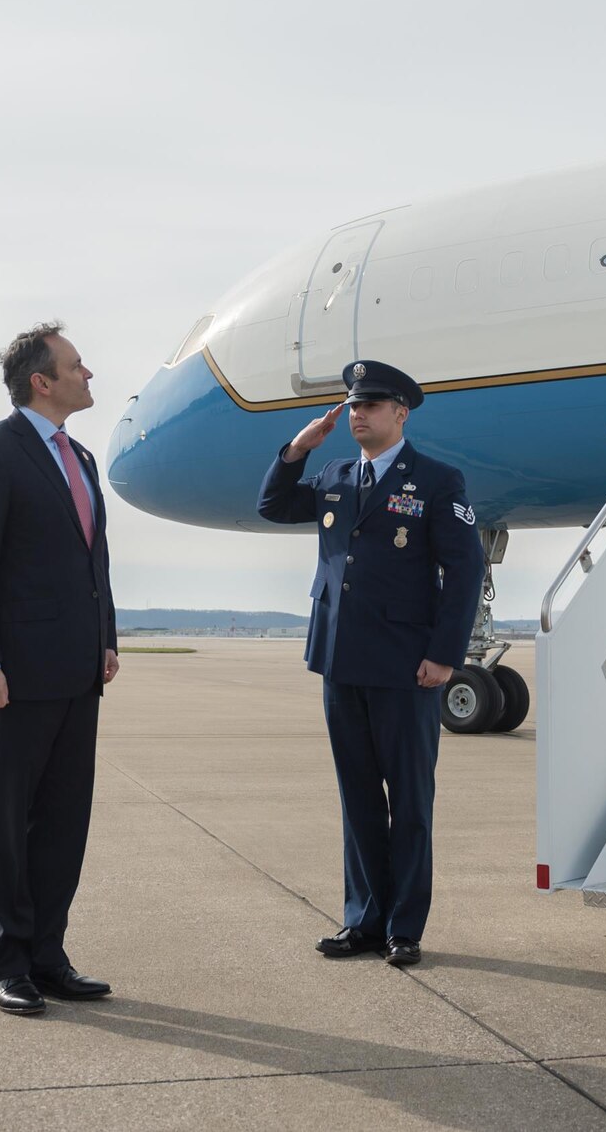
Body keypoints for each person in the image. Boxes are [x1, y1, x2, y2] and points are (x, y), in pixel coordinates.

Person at [257, 361, 483, 967]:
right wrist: (299, 447)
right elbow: (273, 505)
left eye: (372, 404)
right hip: (340, 659)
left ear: (400, 413)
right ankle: (362, 920)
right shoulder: (334, 473)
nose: (358, 413)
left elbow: (465, 572)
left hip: (408, 667)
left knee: (408, 801)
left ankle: (403, 927)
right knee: (357, 797)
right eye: (354, 404)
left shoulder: (436, 480)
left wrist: (443, 656)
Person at [0, 323, 119, 1016]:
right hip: (13, 674)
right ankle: (8, 958)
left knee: (63, 819)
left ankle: (49, 952)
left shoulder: (79, 456)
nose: (89, 374)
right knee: (6, 817)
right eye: (77, 366)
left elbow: (92, 562)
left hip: (79, 670)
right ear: (41, 381)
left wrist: (105, 638)